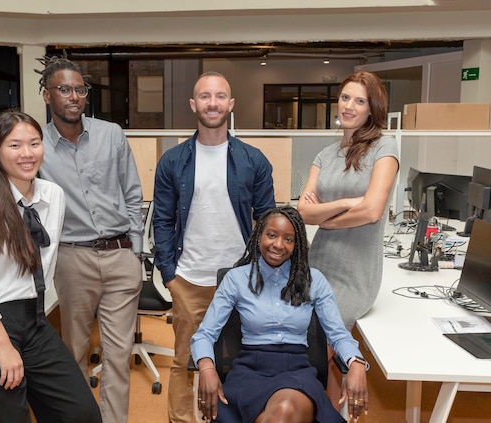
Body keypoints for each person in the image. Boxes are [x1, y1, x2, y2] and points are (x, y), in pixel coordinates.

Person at [0, 110, 101, 423]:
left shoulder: (53, 195)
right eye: (14, 145)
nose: (27, 153)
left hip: (31, 318)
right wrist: (2, 344)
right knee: (9, 416)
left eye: (34, 143)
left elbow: (43, 265)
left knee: (81, 412)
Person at [153, 71, 276, 423]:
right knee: (184, 361)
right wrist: (170, 276)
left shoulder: (253, 160)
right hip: (189, 279)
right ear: (194, 104)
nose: (212, 103)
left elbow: (267, 220)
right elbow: (162, 221)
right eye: (205, 97)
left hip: (239, 279)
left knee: (237, 359)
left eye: (220, 96)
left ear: (230, 104)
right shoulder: (173, 161)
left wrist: (264, 272)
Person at [37, 54, 144, 423]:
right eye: (64, 89)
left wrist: (137, 251)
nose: (73, 97)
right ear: (47, 95)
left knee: (118, 356)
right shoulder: (37, 147)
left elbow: (132, 192)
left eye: (79, 89)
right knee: (75, 353)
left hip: (120, 256)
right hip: (72, 259)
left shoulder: (111, 134)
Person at [191, 206, 369, 423]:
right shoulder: (236, 279)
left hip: (296, 372)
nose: (278, 245)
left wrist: (356, 363)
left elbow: (338, 334)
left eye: (288, 239)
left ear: (296, 245)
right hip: (250, 371)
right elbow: (204, 334)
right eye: (272, 235)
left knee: (283, 410)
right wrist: (207, 367)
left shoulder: (313, 280)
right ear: (259, 237)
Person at [297, 70, 399, 404]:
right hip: (317, 265)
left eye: (359, 100)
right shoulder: (325, 155)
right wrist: (345, 203)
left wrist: (326, 218)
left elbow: (372, 211)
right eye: (345, 98)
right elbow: (303, 212)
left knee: (316, 354)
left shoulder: (385, 147)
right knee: (312, 354)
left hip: (355, 273)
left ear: (372, 108)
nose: (349, 106)